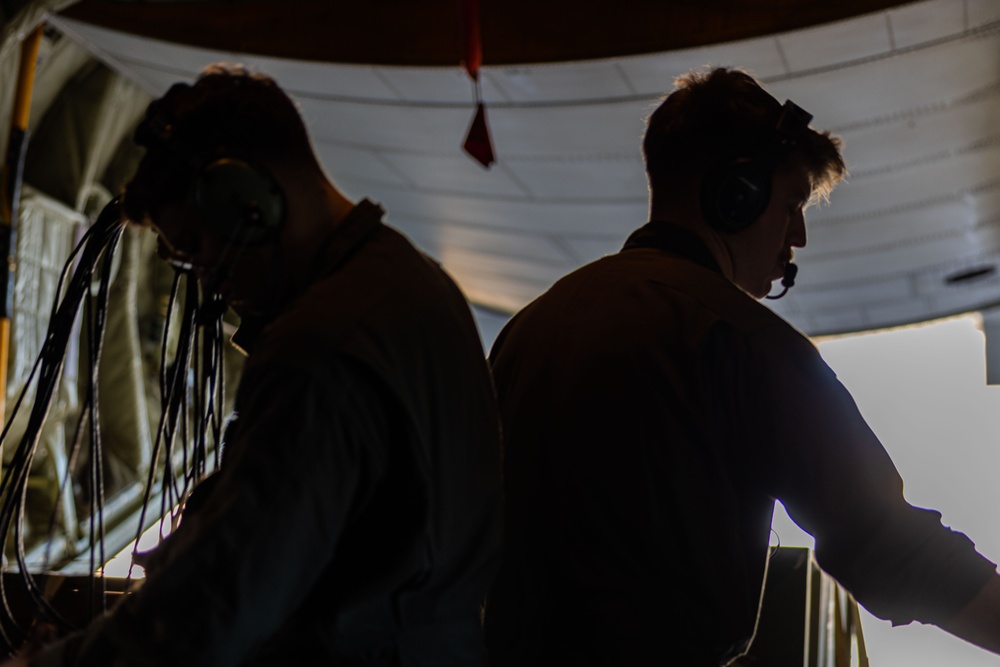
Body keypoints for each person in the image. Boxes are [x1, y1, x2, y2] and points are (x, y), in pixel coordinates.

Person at [482, 66, 1000, 666]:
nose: (798, 236)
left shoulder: (527, 331)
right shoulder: (741, 341)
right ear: (738, 196)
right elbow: (885, 544)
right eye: (791, 205)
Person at [10, 64, 503, 666]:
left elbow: (217, 608)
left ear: (248, 201)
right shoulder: (411, 283)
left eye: (195, 248)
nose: (208, 282)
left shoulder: (323, 348)